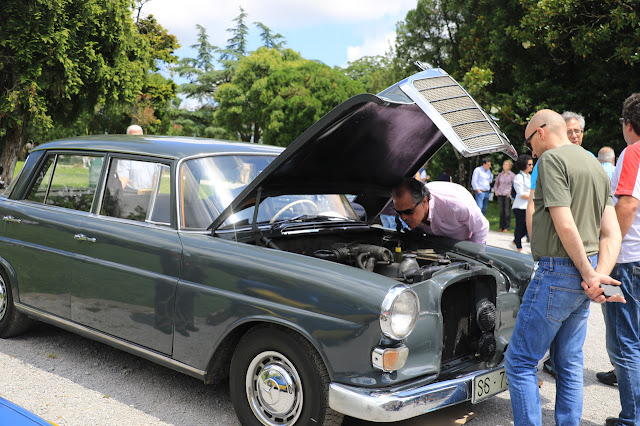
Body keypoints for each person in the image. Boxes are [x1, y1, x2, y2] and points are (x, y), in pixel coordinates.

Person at [505, 109, 623, 426]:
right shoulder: (596, 167)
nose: (529, 149)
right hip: (586, 278)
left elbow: (565, 224)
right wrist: (599, 278)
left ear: (542, 131)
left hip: (559, 272)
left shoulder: (551, 161)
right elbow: (612, 232)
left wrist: (590, 275)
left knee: (519, 361)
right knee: (569, 362)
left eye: (529, 140)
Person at [603, 93, 640, 426]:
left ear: (628, 125)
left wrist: (609, 251)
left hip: (629, 260)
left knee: (625, 341)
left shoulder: (633, 152)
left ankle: (632, 418)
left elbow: (627, 205)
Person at [391, 177, 489, 244]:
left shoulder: (456, 206)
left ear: (424, 201)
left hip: (464, 245)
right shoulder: (412, 205)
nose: (403, 217)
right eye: (399, 212)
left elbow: (481, 228)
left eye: (408, 212)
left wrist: (473, 254)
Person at [511, 155, 532, 252]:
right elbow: (521, 194)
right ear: (524, 165)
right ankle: (519, 247)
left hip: (528, 206)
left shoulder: (529, 176)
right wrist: (534, 197)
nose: (532, 166)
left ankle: (515, 241)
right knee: (520, 226)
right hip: (519, 206)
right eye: (530, 164)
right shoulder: (518, 177)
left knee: (528, 227)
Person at [494, 160, 515, 232]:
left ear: (510, 166)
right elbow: (496, 183)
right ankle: (501, 226)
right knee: (501, 211)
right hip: (500, 193)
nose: (504, 166)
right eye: (504, 164)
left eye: (506, 164)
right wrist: (495, 190)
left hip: (507, 194)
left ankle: (507, 227)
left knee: (507, 211)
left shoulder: (512, 175)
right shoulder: (500, 174)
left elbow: (514, 185)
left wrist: (510, 193)